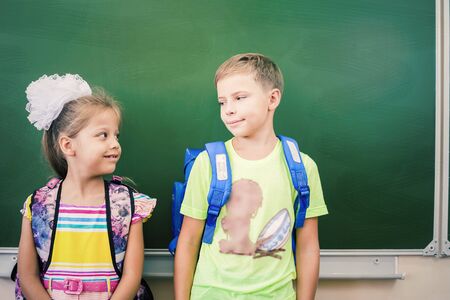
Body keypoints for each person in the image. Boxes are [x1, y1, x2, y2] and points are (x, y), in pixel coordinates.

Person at [174, 53, 328, 299]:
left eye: (239, 98)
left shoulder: (302, 167)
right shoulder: (208, 163)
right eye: (222, 102)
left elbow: (309, 246)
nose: (229, 110)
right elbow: (189, 240)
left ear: (273, 98)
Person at [17, 74, 156, 299]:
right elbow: (27, 276)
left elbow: (132, 276)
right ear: (68, 145)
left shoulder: (128, 205)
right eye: (103, 135)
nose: (116, 144)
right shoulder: (39, 205)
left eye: (116, 136)